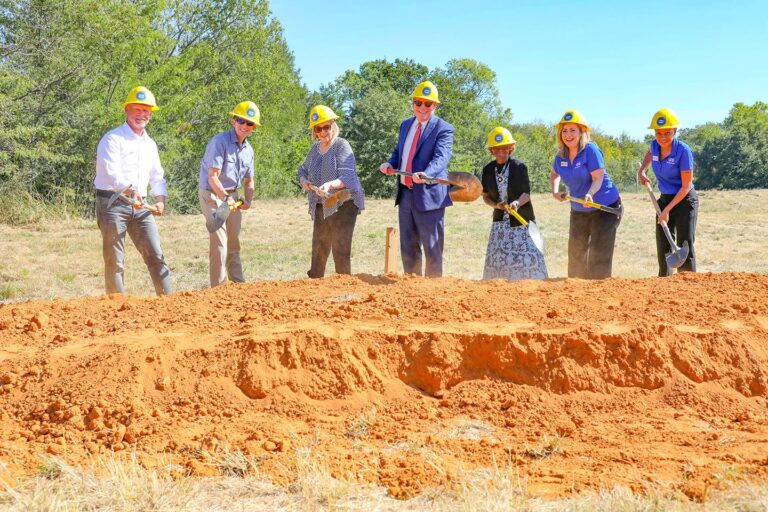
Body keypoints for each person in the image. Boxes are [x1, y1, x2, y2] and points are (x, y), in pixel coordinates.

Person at [94, 85, 171, 296]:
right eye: (137, 109)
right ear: (127, 110)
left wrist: (161, 200)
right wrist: (131, 192)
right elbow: (111, 173)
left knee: (156, 255)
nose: (142, 115)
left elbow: (157, 175)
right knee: (115, 260)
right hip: (112, 203)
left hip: (141, 205)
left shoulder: (150, 144)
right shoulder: (112, 139)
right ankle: (116, 306)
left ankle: (169, 303)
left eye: (146, 111)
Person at [378, 81, 453, 277]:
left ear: (434, 106)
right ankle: (411, 291)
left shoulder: (443, 128)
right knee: (408, 248)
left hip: (430, 197)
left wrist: (427, 173)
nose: (422, 108)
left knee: (432, 248)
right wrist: (389, 164)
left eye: (428, 104)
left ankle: (432, 292)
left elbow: (442, 157)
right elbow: (399, 152)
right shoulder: (405, 125)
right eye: (418, 103)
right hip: (405, 195)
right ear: (412, 104)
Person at [550, 109, 622, 279]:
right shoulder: (561, 156)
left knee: (598, 253)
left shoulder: (591, 150)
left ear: (582, 132)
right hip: (578, 208)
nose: (568, 135)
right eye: (564, 131)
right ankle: (576, 292)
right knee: (576, 251)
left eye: (572, 130)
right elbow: (554, 174)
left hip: (604, 206)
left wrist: (590, 194)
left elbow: (598, 178)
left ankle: (597, 293)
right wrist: (555, 191)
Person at [298, 105, 365, 278]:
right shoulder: (314, 149)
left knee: (340, 248)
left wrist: (330, 185)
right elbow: (302, 170)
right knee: (319, 246)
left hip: (344, 203)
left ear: (333, 125)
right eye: (318, 128)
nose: (322, 132)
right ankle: (315, 283)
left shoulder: (342, 146)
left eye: (326, 127)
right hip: (322, 202)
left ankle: (343, 288)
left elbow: (348, 176)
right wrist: (304, 181)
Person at [198, 101, 258, 287]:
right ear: (233, 121)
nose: (245, 126)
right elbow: (212, 177)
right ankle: (218, 288)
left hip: (232, 197)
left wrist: (247, 200)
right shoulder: (219, 141)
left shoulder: (248, 150)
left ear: (254, 127)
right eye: (241, 120)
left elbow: (249, 181)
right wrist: (226, 199)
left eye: (250, 123)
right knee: (220, 241)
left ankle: (238, 285)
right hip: (213, 195)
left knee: (234, 242)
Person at [481, 127, 548, 281]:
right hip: (500, 225)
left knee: (528, 260)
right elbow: (485, 196)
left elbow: (526, 194)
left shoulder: (519, 167)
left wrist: (516, 203)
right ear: (491, 150)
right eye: (497, 149)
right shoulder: (487, 170)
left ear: (511, 148)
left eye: (505, 148)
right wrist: (496, 205)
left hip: (521, 221)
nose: (501, 151)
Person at [638, 108, 697, 276]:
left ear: (675, 131)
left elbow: (685, 186)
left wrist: (667, 210)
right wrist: (642, 171)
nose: (662, 137)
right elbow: (650, 153)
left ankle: (688, 283)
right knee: (663, 241)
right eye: (658, 133)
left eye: (667, 133)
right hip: (665, 198)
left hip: (685, 199)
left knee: (685, 242)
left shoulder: (683, 151)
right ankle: (664, 281)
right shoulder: (654, 145)